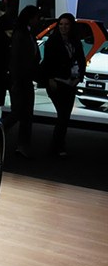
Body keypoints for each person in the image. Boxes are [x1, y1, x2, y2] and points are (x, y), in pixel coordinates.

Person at [39, 12, 86, 157]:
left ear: (71, 26)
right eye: (61, 24)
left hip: (71, 83)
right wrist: (50, 79)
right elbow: (47, 62)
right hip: (57, 82)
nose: (63, 27)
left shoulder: (75, 42)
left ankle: (59, 145)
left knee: (65, 116)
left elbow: (81, 60)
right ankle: (57, 147)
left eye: (66, 24)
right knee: (63, 115)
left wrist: (79, 77)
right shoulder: (52, 42)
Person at [8, 5, 42, 158]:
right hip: (20, 79)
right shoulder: (21, 34)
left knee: (25, 114)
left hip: (25, 79)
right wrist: (15, 80)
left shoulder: (27, 33)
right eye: (36, 17)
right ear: (30, 18)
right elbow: (15, 59)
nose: (38, 20)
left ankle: (22, 146)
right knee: (18, 113)